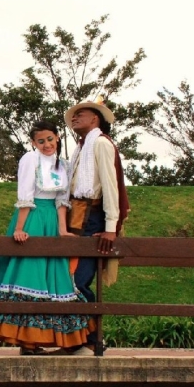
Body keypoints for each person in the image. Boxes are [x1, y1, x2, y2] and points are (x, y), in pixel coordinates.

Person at [0, 121, 93, 354]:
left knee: (56, 276)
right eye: (40, 141)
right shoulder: (29, 159)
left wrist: (63, 231)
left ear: (57, 138)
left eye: (50, 139)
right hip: (32, 217)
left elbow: (62, 200)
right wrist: (19, 229)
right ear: (34, 143)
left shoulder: (63, 164)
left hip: (52, 221)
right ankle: (27, 341)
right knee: (30, 275)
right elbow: (25, 194)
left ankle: (59, 340)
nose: (46, 145)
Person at [61, 99, 130, 355]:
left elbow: (110, 186)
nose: (75, 118)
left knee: (79, 279)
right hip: (77, 217)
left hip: (92, 217)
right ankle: (78, 340)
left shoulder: (100, 143)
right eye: (74, 115)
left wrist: (110, 226)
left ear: (95, 119)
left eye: (82, 114)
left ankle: (91, 339)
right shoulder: (81, 149)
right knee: (69, 277)